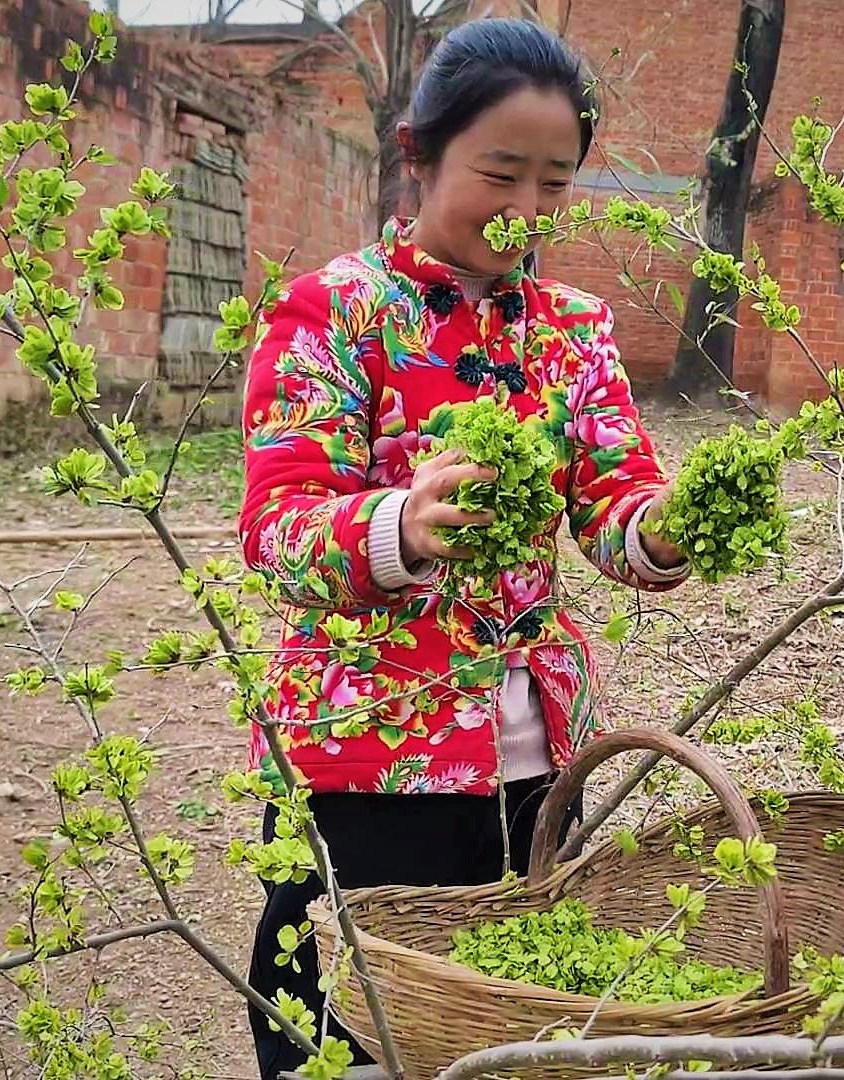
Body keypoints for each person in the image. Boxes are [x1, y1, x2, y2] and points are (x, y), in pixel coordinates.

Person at [236, 16, 692, 1077]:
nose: (525, 211)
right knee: (339, 1020)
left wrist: (661, 527)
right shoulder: (331, 314)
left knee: (511, 1020)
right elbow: (278, 529)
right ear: (418, 154)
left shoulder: (573, 330)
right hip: (366, 758)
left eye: (554, 185)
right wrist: (400, 523)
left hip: (536, 758)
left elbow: (615, 500)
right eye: (500, 173)